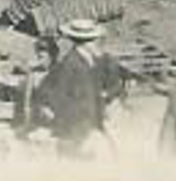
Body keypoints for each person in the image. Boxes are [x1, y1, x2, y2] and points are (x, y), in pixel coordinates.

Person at [34, 19, 124, 156]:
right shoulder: (70, 64)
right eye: (95, 41)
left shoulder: (93, 61)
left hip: (90, 126)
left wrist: (104, 97)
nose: (98, 45)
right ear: (86, 43)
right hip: (74, 130)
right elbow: (58, 97)